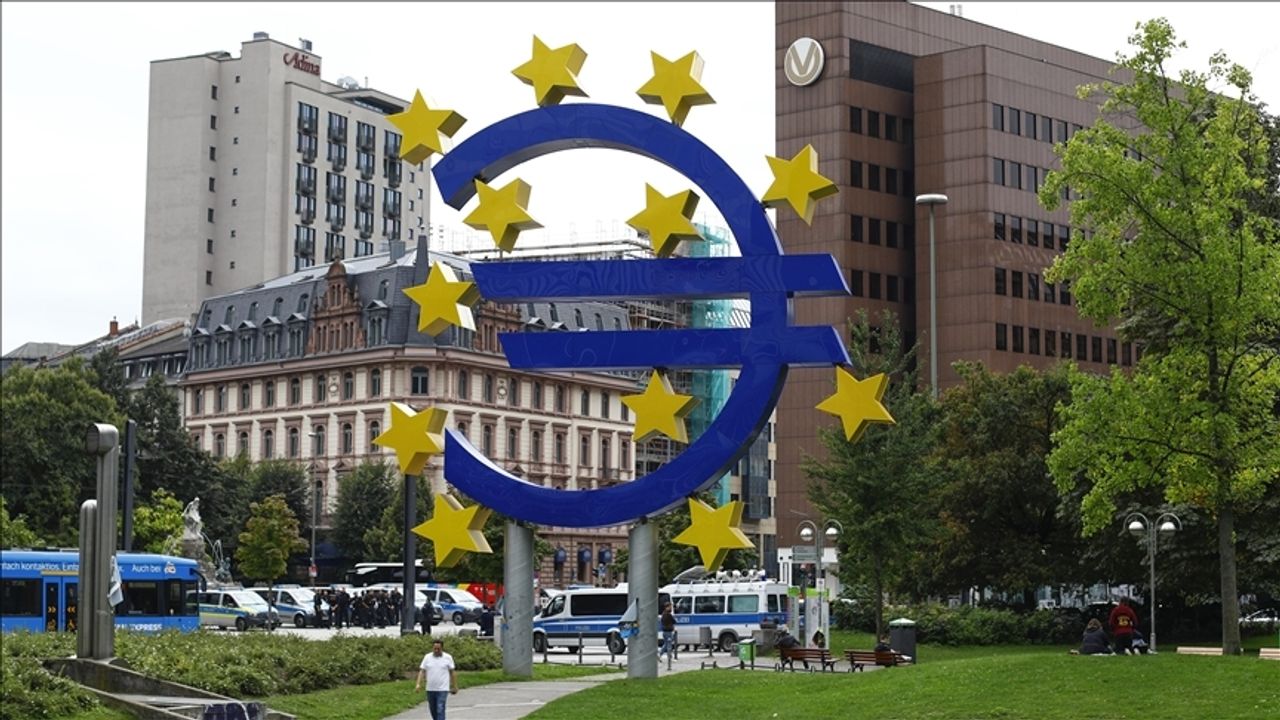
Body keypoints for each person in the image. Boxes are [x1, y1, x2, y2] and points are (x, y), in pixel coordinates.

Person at [415, 638, 458, 720]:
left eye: (438, 649)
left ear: (442, 648)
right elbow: (422, 671)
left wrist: (454, 686)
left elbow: (452, 672)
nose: (436, 651)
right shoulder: (427, 657)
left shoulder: (448, 657)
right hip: (430, 688)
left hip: (443, 688)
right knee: (433, 709)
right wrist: (418, 684)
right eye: (435, 649)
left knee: (440, 708)